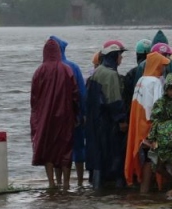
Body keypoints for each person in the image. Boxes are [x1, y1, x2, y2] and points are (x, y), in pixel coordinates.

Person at [30, 37, 80, 190]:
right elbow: (75, 94)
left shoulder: (39, 71)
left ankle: (51, 182)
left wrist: (36, 116)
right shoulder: (67, 69)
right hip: (65, 115)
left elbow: (34, 98)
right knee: (65, 147)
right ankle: (65, 183)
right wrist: (77, 113)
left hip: (44, 117)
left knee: (47, 148)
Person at [84, 40, 127, 187]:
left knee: (97, 154)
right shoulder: (110, 75)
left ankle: (97, 185)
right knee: (112, 153)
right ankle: (115, 187)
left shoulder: (97, 71)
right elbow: (114, 101)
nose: (121, 58)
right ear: (114, 56)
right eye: (120, 55)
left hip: (94, 119)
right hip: (107, 122)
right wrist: (121, 120)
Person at [124, 51, 169, 186]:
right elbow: (158, 107)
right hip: (149, 126)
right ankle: (147, 189)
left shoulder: (141, 80)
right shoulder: (155, 82)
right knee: (152, 159)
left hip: (138, 126)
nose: (163, 68)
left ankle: (144, 188)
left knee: (145, 158)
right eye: (162, 65)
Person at [52, 35, 88, 188]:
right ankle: (80, 181)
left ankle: (58, 181)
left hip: (54, 117)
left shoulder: (46, 68)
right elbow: (81, 91)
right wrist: (83, 113)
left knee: (57, 149)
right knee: (78, 147)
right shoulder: (73, 67)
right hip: (74, 115)